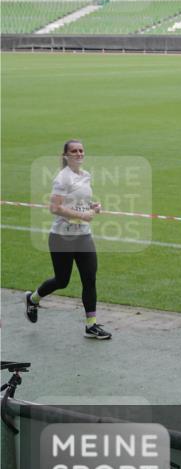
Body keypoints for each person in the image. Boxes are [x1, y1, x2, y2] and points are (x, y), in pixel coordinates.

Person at [24, 139, 112, 340]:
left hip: (83, 237)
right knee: (62, 281)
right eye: (74, 151)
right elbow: (55, 208)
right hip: (62, 238)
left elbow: (80, 200)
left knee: (89, 279)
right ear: (66, 155)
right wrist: (82, 215)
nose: (79, 153)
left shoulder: (86, 175)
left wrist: (93, 206)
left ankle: (91, 325)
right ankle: (33, 298)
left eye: (81, 150)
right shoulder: (62, 178)